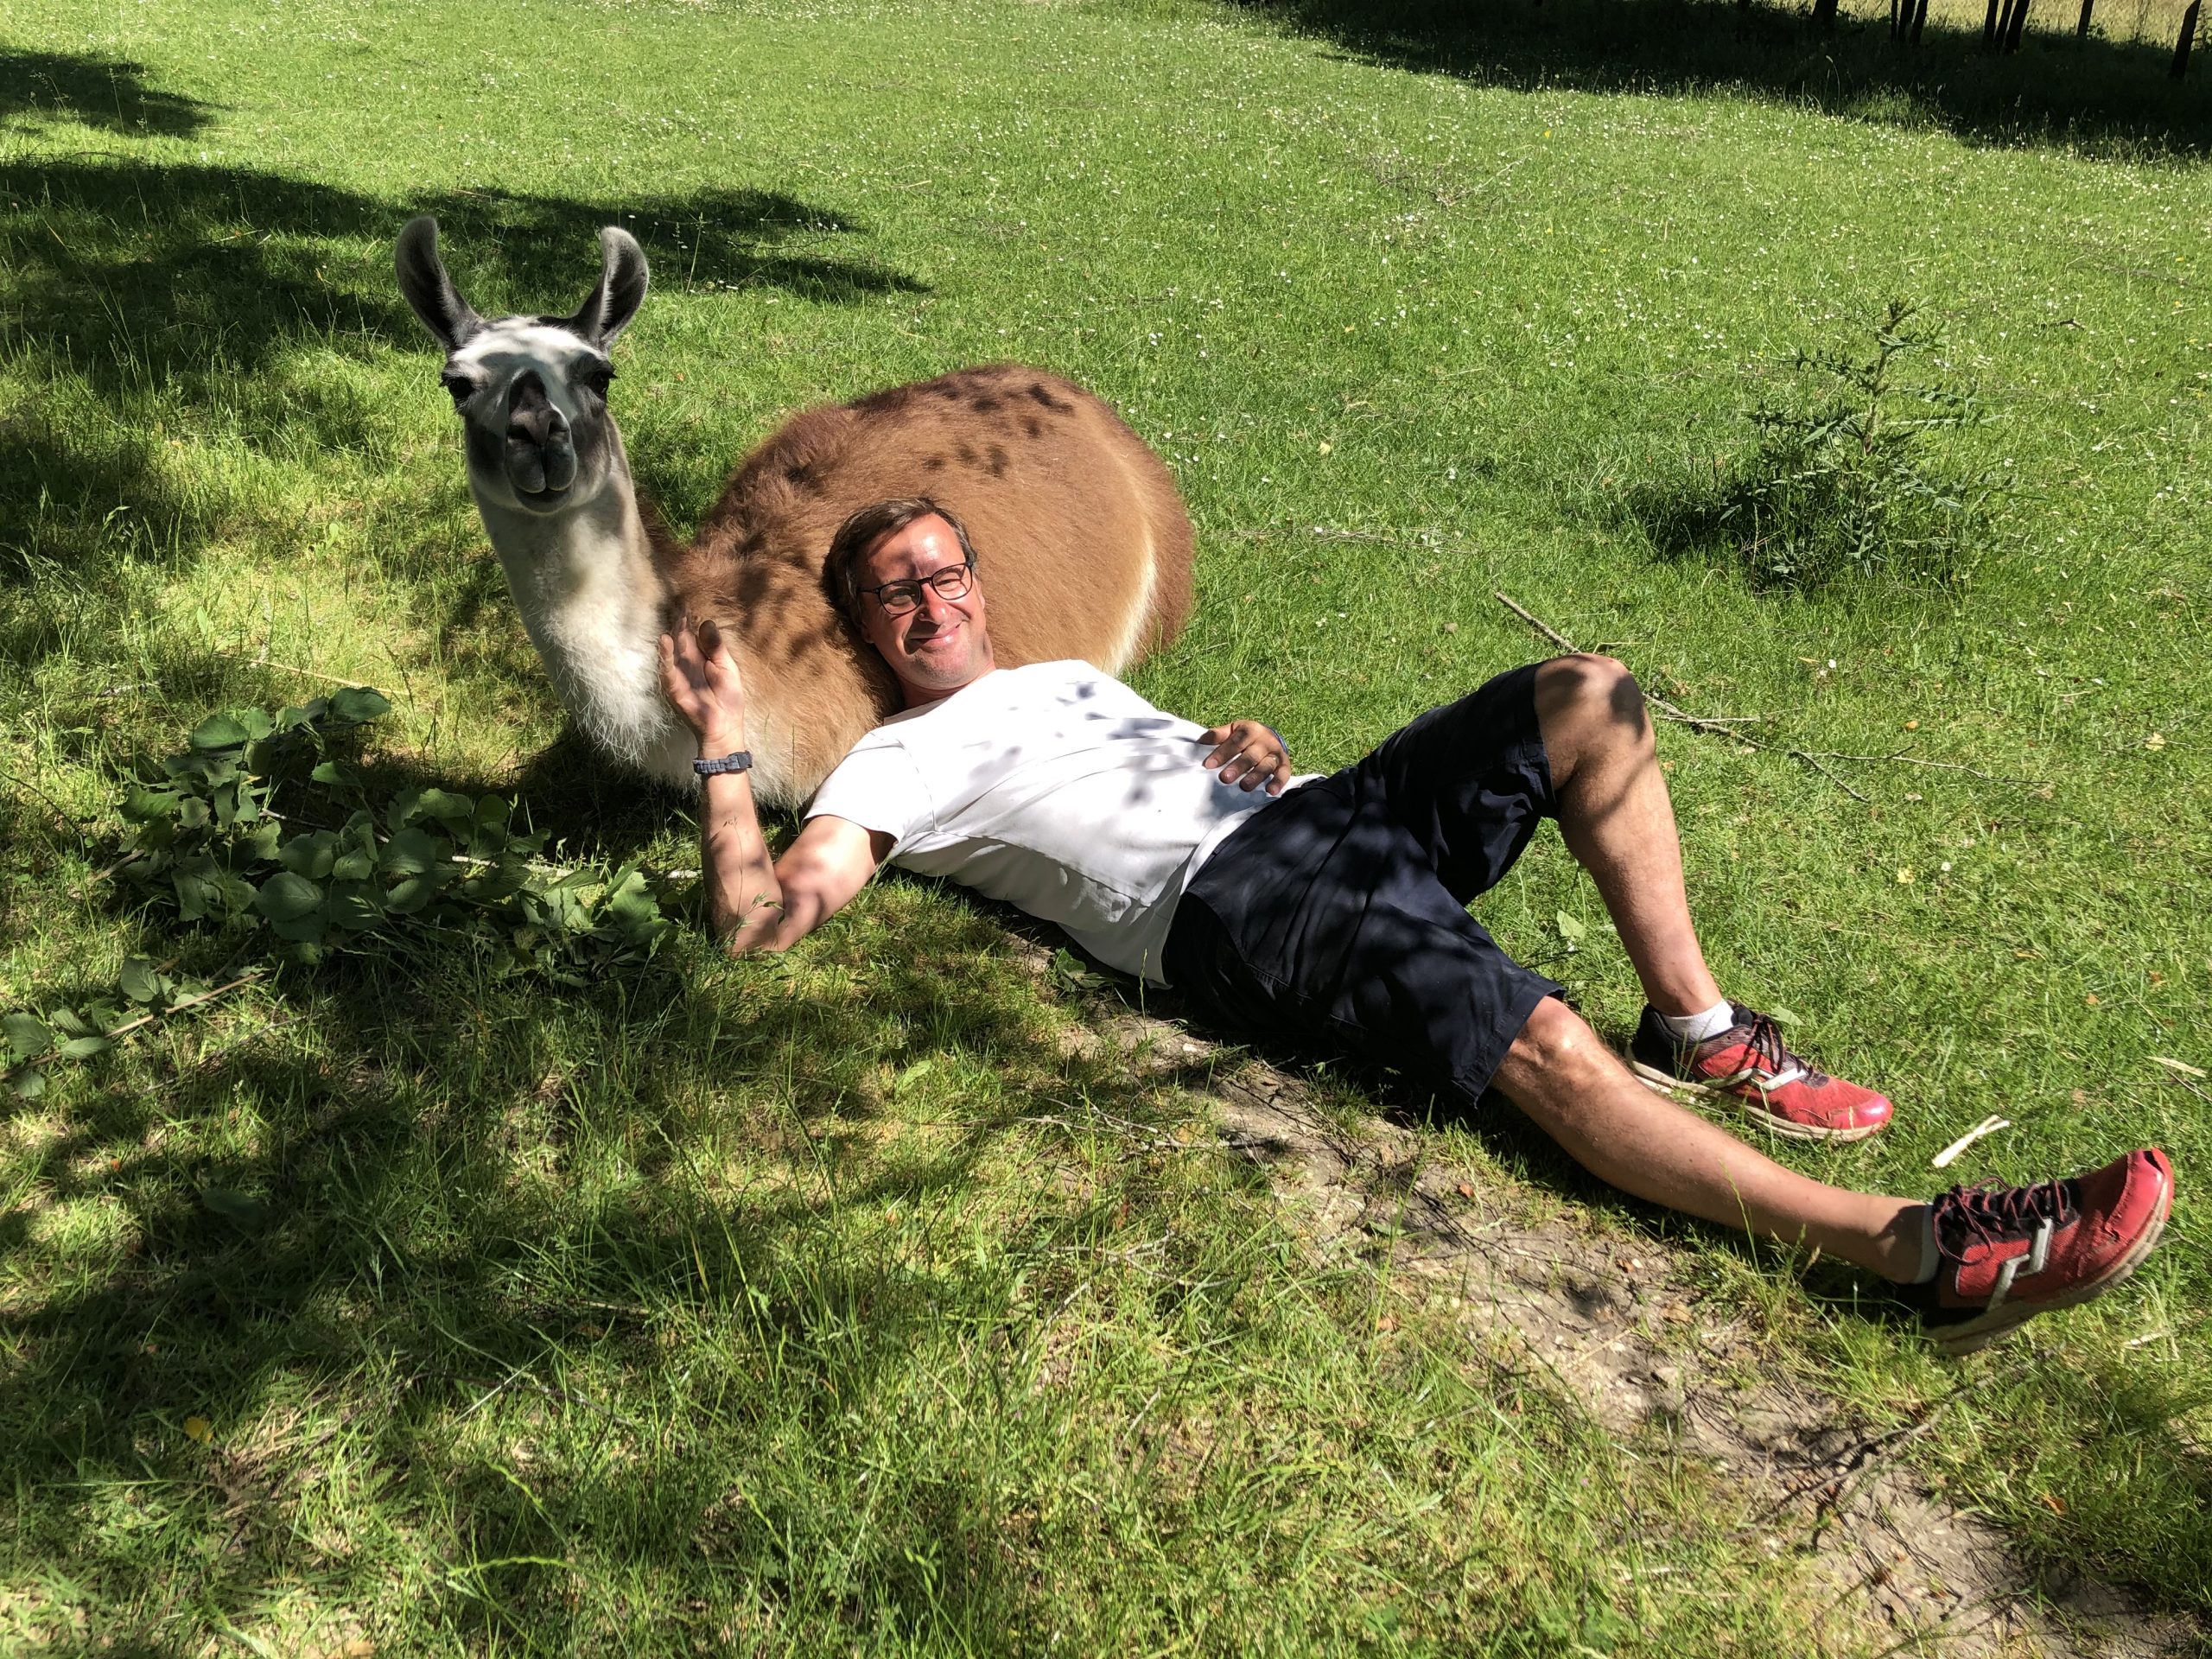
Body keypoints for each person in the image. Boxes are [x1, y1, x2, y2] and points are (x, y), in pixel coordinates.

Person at [657, 498, 2172, 1357]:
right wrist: (726, 747)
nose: (929, 600)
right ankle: (1926, 1257)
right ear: (865, 627)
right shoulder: (891, 763)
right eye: (893, 592)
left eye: (944, 569)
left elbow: (1141, 759)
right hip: (1248, 906)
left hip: (1328, 813)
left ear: (980, 579)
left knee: (1590, 691)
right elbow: (763, 919)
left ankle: (1700, 1030)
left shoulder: (1055, 677)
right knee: (1536, 1040)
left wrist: (1229, 740)